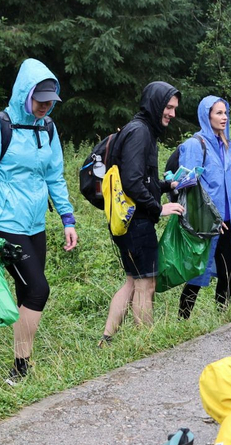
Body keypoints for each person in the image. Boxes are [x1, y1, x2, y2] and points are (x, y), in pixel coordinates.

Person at [0, 58, 78, 383]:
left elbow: (55, 176)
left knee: (25, 292)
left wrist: (67, 217)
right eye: (40, 100)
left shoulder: (47, 128)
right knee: (39, 290)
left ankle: (22, 363)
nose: (46, 106)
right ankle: (18, 369)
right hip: (5, 225)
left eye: (50, 101)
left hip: (36, 225)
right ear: (25, 94)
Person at [99, 82, 185, 344]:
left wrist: (166, 185)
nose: (171, 113)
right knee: (146, 285)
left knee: (131, 282)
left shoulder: (139, 129)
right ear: (155, 104)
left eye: (174, 109)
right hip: (136, 222)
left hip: (126, 221)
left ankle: (106, 339)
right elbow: (132, 182)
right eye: (168, 107)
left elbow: (141, 180)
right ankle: (146, 343)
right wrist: (159, 208)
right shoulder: (141, 132)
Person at [177, 96, 231, 319]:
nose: (224, 118)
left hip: (225, 221)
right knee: (197, 273)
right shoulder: (196, 145)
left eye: (226, 113)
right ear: (207, 116)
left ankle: (222, 319)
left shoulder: (223, 145)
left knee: (227, 272)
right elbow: (188, 185)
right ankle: (181, 321)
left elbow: (225, 181)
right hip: (206, 222)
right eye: (218, 113)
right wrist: (205, 218)